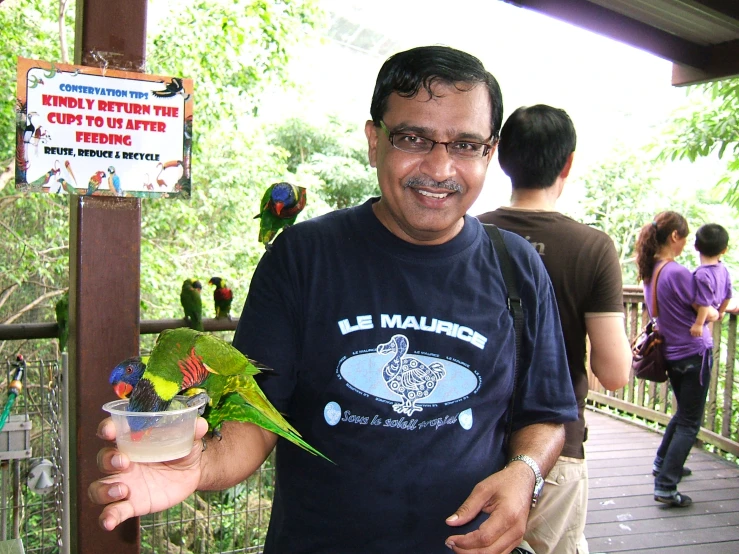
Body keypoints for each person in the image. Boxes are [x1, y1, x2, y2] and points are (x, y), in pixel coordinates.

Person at [89, 45, 578, 554]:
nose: (439, 166)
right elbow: (254, 422)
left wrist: (525, 475)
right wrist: (197, 465)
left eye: (465, 144)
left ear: (489, 153)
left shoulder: (517, 267)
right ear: (374, 141)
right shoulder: (302, 258)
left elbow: (545, 414)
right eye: (413, 137)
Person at [477, 104, 631, 554]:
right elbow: (616, 372)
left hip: (472, 440)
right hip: (555, 447)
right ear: (568, 162)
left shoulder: (468, 233)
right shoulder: (592, 248)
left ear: (501, 155)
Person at [635, 211, 720, 508]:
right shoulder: (678, 272)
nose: (686, 245)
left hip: (671, 354)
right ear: (674, 237)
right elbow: (706, 310)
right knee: (689, 422)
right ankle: (666, 486)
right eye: (684, 238)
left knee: (682, 413)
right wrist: (717, 312)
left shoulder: (652, 271)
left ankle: (662, 463)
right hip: (693, 354)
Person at [689, 223, 732, 338]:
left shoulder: (702, 274)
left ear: (696, 246)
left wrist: (698, 324)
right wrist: (721, 312)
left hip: (698, 318)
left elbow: (704, 302)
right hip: (712, 313)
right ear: (724, 250)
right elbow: (728, 295)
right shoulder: (723, 269)